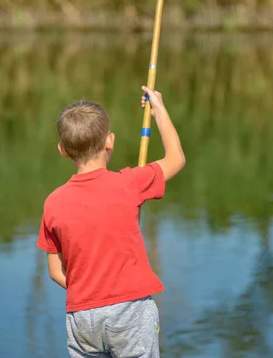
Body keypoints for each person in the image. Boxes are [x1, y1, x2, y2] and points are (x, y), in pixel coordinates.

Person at [36, 86, 185, 357]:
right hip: (130, 311)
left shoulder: (53, 202)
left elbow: (55, 271)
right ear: (110, 141)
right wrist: (159, 111)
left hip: (81, 317)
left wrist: (90, 288)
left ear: (63, 150)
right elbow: (176, 159)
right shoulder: (129, 183)